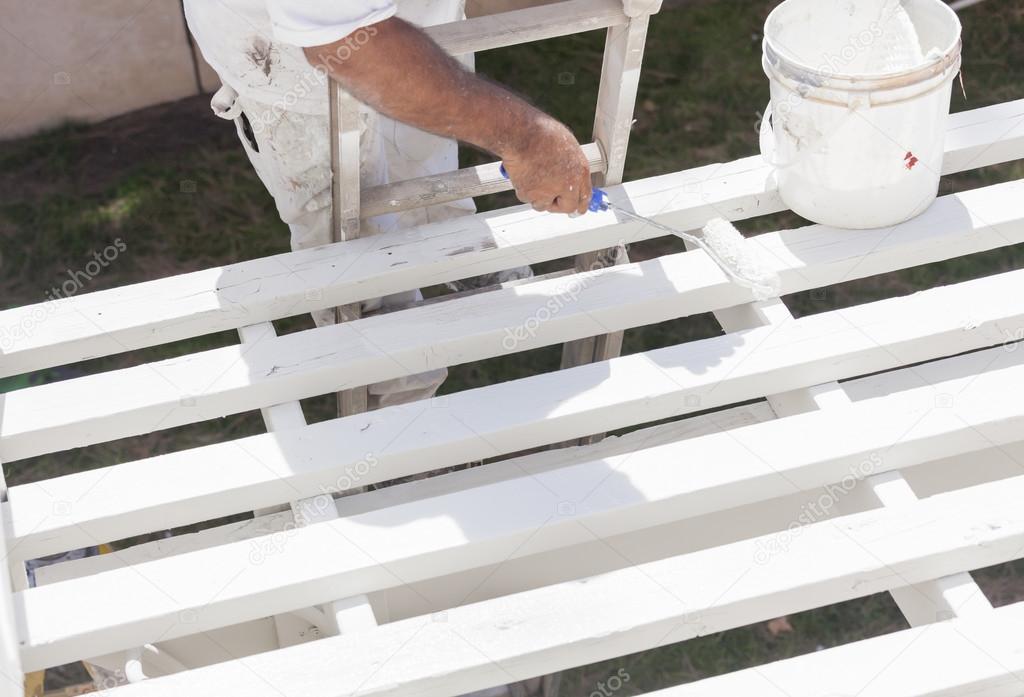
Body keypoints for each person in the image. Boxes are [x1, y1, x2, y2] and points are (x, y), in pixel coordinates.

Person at [181, 0, 659, 409]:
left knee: (427, 158)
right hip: (292, 63)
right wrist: (528, 138)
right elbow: (347, 45)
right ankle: (398, 424)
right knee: (361, 276)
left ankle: (451, 255)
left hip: (403, 29)